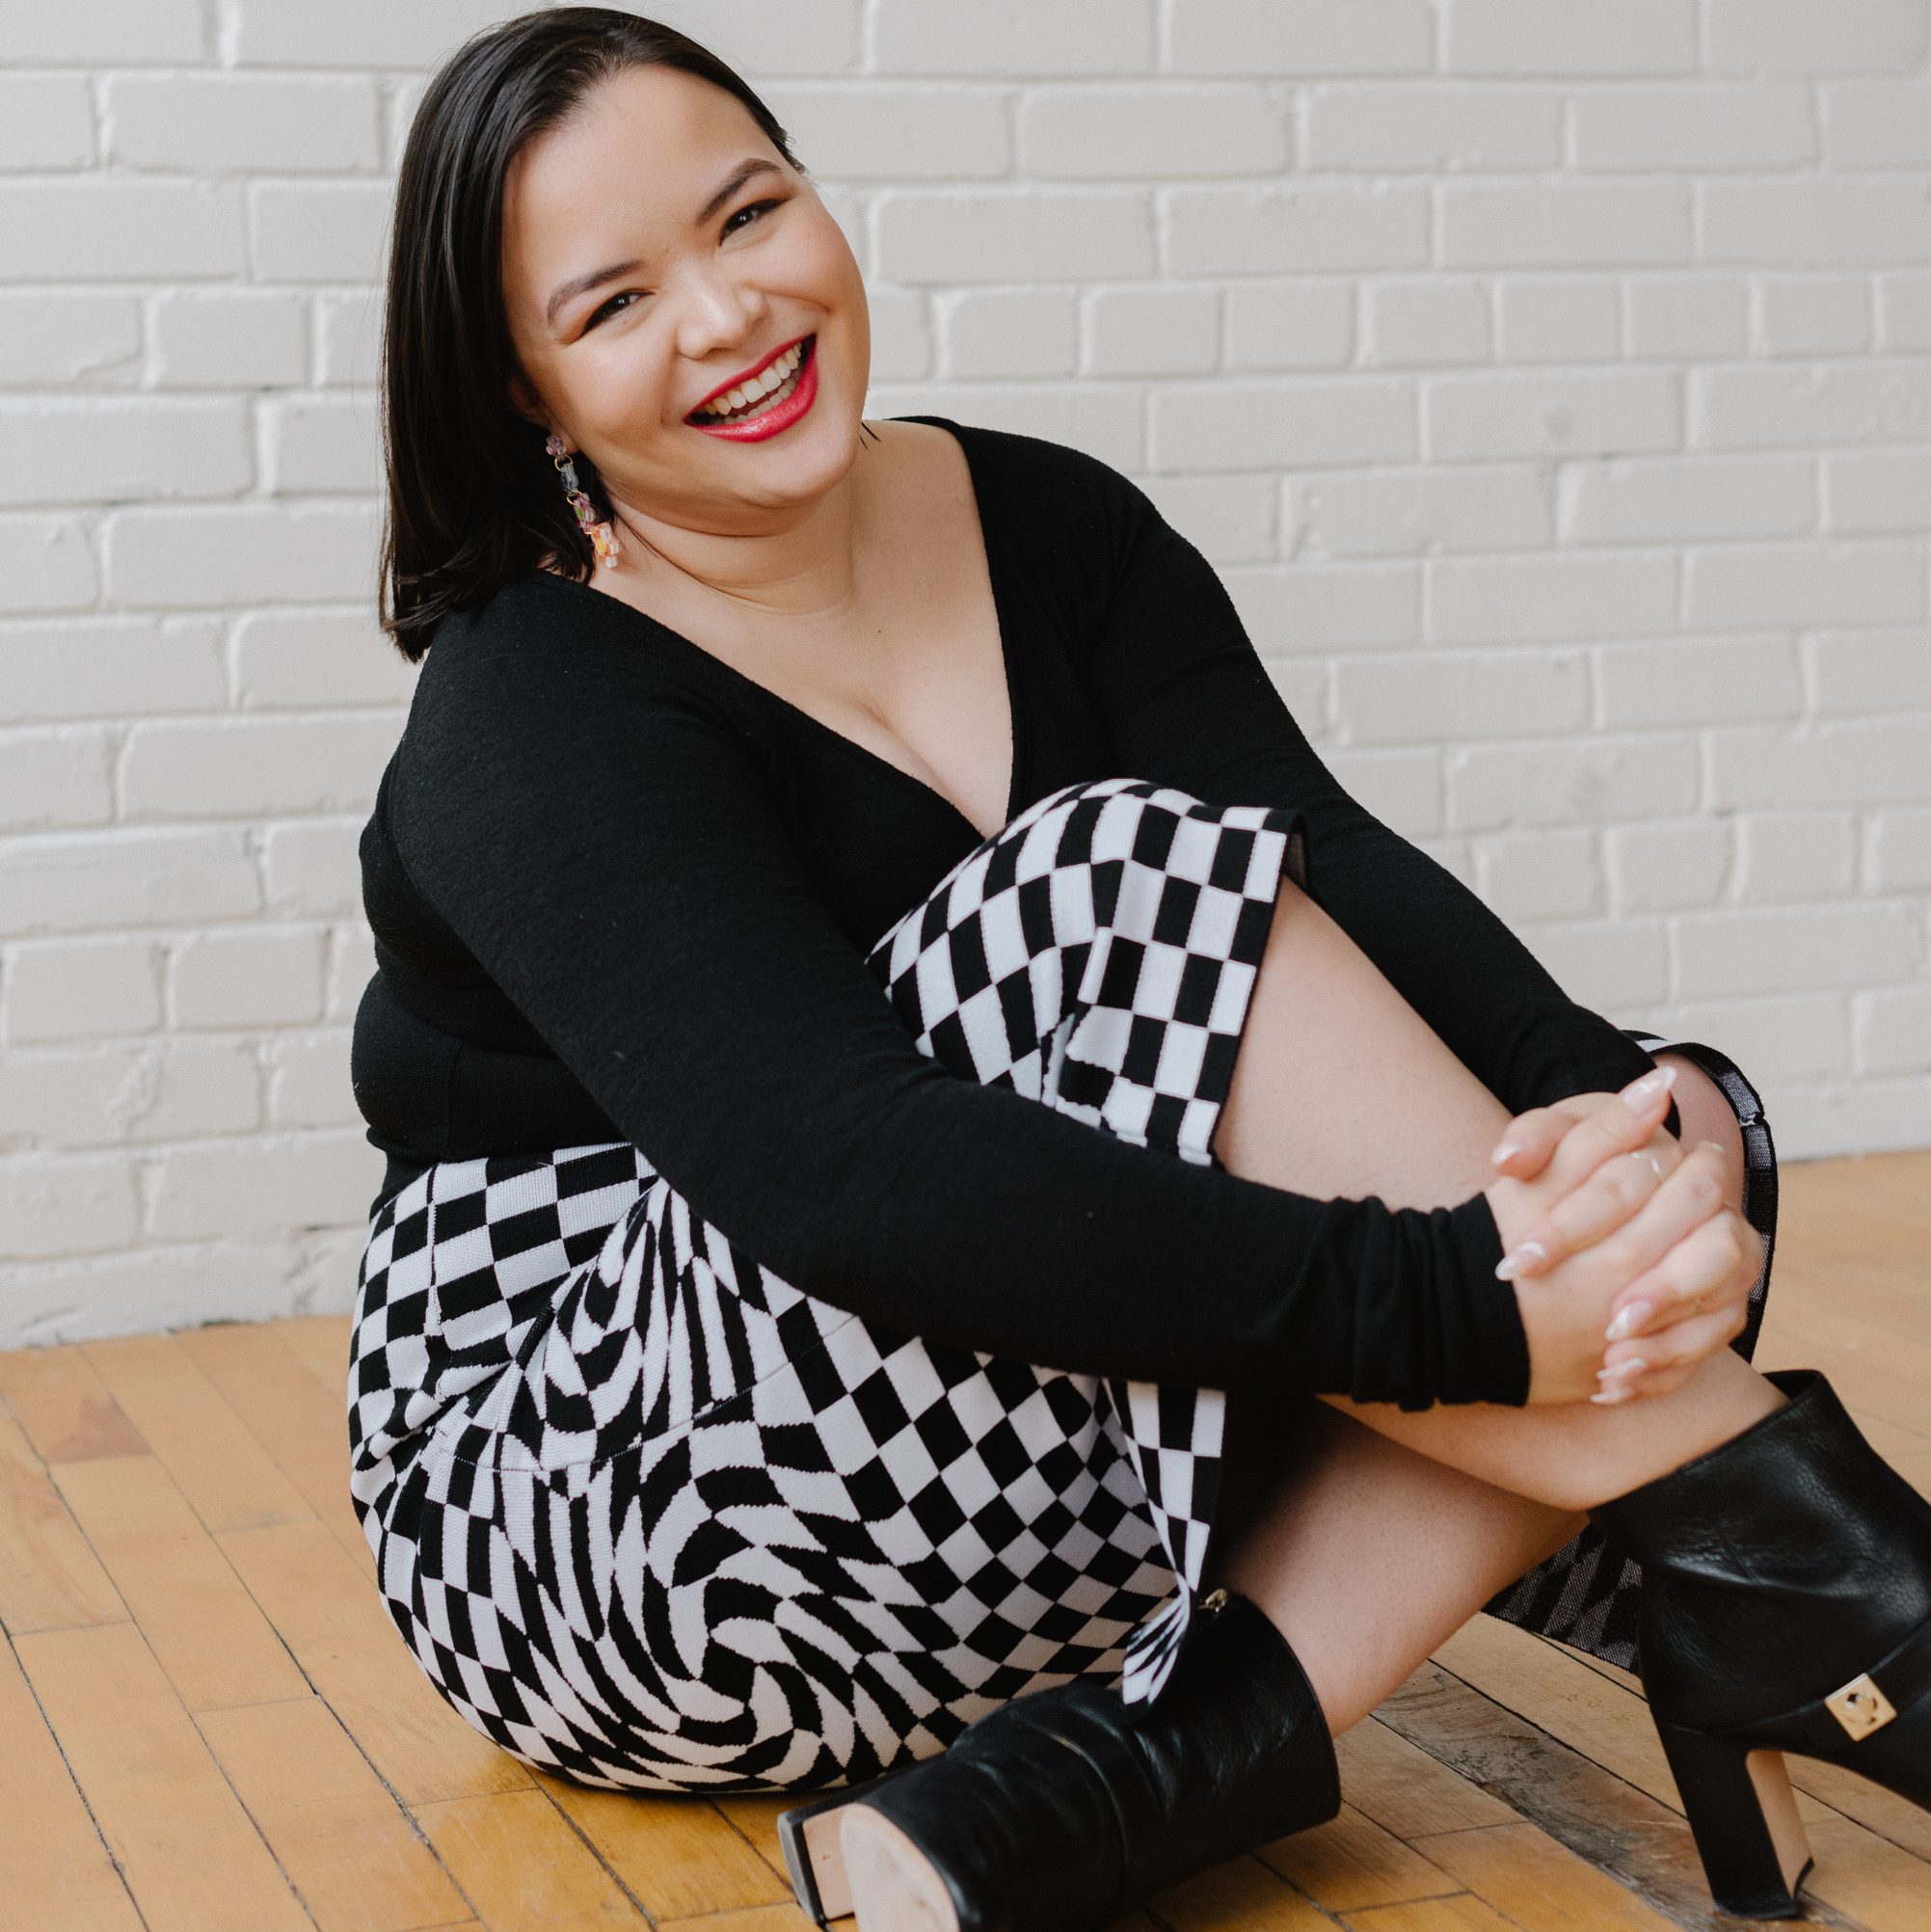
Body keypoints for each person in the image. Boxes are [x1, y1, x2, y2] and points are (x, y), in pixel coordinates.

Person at [345, 11, 1931, 1929]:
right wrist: (1452, 1302)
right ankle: (1855, 1606)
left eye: (751, 210)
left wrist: (1612, 1103)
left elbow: (1323, 864)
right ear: (524, 392)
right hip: (624, 1514)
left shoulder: (1044, 520)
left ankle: (1083, 1797)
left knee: (1629, 1159)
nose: (728, 313)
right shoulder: (530, 703)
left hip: (1018, 1390)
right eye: (612, 302)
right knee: (1131, 898)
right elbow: (837, 1167)